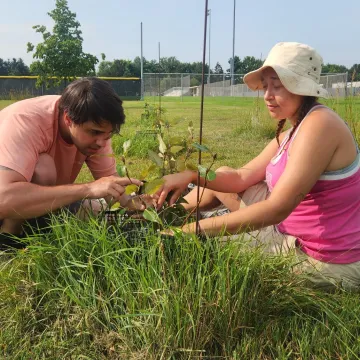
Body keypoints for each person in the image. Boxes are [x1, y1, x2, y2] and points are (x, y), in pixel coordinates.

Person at [156, 42, 360, 289]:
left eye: (278, 85)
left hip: (321, 255)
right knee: (222, 175)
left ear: (302, 88)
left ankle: (175, 228)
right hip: (290, 226)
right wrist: (191, 175)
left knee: (211, 247)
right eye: (265, 86)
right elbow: (242, 177)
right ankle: (162, 215)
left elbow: (277, 209)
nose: (267, 95)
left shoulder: (320, 124)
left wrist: (194, 230)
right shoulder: (295, 129)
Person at [0, 77, 143, 248]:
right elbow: (4, 199)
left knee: (97, 211)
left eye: (108, 135)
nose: (101, 143)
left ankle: (36, 227)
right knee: (43, 168)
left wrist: (132, 203)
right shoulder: (26, 120)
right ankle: (9, 237)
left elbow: (110, 183)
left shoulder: (96, 132)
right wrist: (88, 189)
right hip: (7, 200)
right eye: (94, 132)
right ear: (68, 119)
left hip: (34, 199)